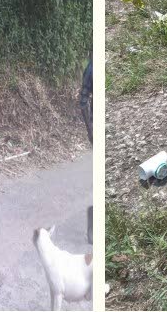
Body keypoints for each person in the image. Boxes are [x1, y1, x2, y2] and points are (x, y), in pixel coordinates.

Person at [79, 55, 93, 244]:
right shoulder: (92, 67)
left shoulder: (92, 66)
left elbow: (82, 100)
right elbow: (83, 100)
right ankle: (92, 229)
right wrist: (90, 129)